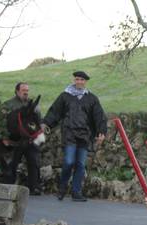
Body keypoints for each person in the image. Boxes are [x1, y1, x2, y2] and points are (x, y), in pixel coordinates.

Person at [43, 71, 107, 202]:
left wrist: (101, 132)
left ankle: (76, 192)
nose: (79, 82)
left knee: (80, 164)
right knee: (68, 161)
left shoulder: (91, 98)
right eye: (77, 79)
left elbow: (99, 116)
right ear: (74, 80)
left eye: (82, 80)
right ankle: (62, 188)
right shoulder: (65, 96)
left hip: (84, 136)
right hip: (69, 134)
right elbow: (55, 111)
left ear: (85, 82)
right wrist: (46, 123)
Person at [0, 82, 43, 194]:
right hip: (14, 141)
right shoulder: (8, 105)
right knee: (12, 164)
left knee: (34, 161)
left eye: (27, 90)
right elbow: (0, 121)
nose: (26, 92)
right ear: (17, 91)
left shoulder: (33, 106)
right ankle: (8, 189)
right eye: (23, 90)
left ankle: (34, 187)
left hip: (29, 140)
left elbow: (38, 121)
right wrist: (5, 137)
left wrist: (38, 135)